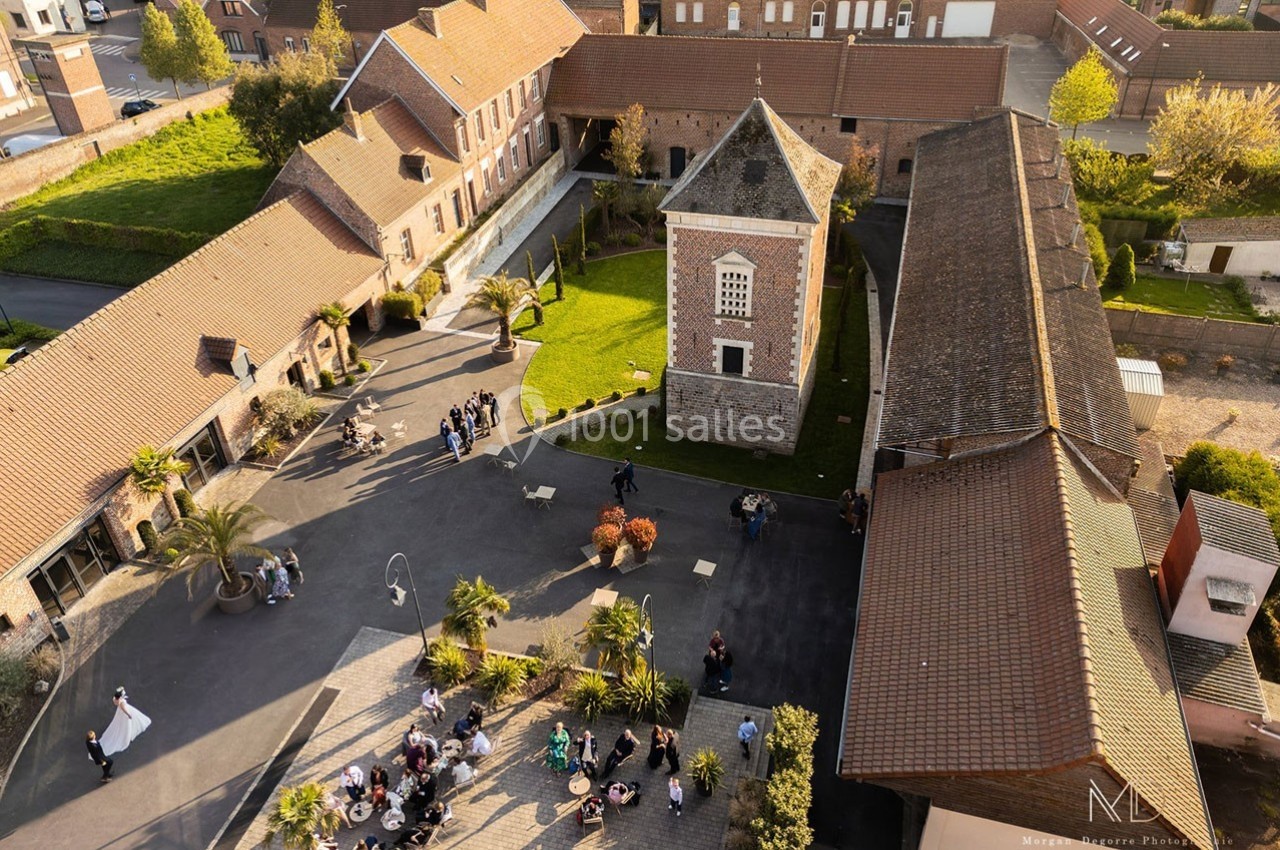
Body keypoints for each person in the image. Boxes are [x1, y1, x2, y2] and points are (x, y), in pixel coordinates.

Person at [99, 687, 151, 756]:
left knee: (119, 724)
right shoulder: (122, 702)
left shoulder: (115, 699)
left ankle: (128, 735)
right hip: (124, 714)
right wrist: (129, 715)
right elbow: (124, 709)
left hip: (119, 714)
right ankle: (127, 737)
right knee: (125, 725)